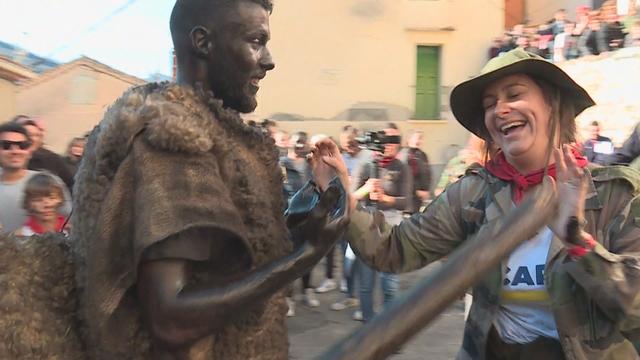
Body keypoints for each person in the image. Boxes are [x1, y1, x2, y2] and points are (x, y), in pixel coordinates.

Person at [313, 48, 640, 358]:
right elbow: (393, 249)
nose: (500, 109)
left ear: (552, 103)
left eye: (514, 94)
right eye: (490, 103)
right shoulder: (474, 194)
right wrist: (339, 189)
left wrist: (577, 243)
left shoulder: (614, 194)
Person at [71, 1, 347, 358]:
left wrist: (295, 224)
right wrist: (306, 254)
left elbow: (224, 266)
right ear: (203, 43)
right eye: (256, 41)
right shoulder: (173, 141)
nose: (268, 60)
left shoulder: (218, 135)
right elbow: (171, 320)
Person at [349, 124, 410, 322]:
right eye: (386, 142)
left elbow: (406, 202)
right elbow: (351, 198)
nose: (389, 146)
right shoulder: (366, 165)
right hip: (366, 228)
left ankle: (388, 325)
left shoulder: (402, 167)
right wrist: (366, 189)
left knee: (389, 283)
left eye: (394, 142)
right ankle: (368, 325)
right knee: (366, 284)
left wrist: (385, 198)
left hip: (392, 230)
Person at [0, 122, 71, 234]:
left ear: (29, 151)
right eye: (6, 145)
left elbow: (71, 221)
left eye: (22, 145)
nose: (15, 151)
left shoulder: (49, 181)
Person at [280, 131, 320, 315]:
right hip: (290, 218)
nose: (300, 146)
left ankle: (307, 290)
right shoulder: (281, 165)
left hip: (309, 218)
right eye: (297, 142)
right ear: (290, 144)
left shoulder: (310, 166)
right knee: (290, 260)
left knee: (308, 256)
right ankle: (289, 298)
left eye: (302, 143)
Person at [13, 116, 75, 192]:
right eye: (28, 134)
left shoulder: (52, 159)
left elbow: (69, 185)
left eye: (37, 135)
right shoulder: (9, 157)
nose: (33, 138)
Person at [398, 129, 432, 213]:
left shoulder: (422, 155)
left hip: (419, 198)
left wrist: (426, 190)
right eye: (416, 138)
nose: (418, 141)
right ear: (409, 139)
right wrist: (416, 191)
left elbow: (427, 173)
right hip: (409, 197)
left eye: (420, 138)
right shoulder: (404, 155)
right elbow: (405, 177)